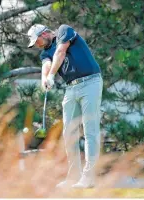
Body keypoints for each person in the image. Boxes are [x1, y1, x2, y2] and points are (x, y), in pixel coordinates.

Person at [27, 24, 103, 188]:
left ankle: (89, 178)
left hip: (90, 81)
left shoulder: (64, 31)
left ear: (45, 33)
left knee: (90, 130)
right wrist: (44, 81)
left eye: (37, 40)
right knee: (69, 133)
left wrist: (52, 76)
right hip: (71, 88)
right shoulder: (45, 52)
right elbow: (46, 66)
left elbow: (60, 53)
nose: (37, 45)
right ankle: (73, 177)